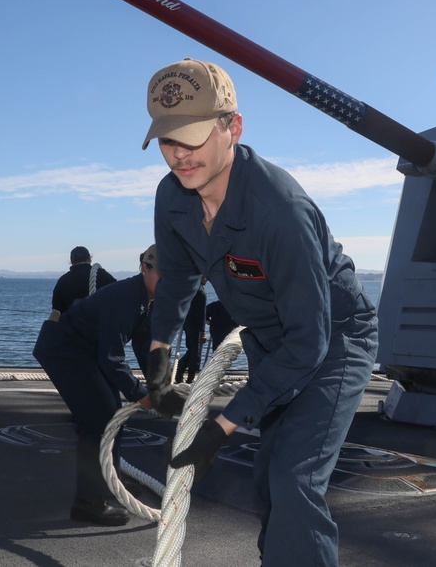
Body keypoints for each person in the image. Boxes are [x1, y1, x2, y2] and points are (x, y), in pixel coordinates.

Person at [140, 58, 379, 566]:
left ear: (234, 127)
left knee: (295, 476)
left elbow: (308, 342)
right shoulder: (173, 197)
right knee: (269, 473)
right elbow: (180, 275)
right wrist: (160, 350)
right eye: (167, 140)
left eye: (193, 136)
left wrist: (221, 428)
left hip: (332, 340)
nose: (179, 156)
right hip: (272, 340)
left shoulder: (279, 209)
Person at [32, 244, 159, 527]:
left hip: (84, 351)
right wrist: (141, 395)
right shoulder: (127, 297)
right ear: (144, 269)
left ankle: (109, 479)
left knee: (110, 414)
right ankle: (88, 503)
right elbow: (112, 358)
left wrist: (157, 385)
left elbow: (143, 343)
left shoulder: (147, 297)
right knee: (101, 418)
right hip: (65, 350)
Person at [50, 245, 117, 318]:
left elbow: (56, 311)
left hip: (71, 326)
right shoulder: (104, 276)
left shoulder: (62, 281)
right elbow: (118, 297)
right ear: (89, 258)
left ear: (71, 261)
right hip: (101, 325)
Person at [175, 277, 207, 384]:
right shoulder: (201, 293)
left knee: (191, 350)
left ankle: (179, 372)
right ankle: (190, 378)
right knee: (196, 352)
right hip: (196, 326)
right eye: (205, 277)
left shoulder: (189, 290)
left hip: (187, 324)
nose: (206, 279)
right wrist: (202, 331)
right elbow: (201, 315)